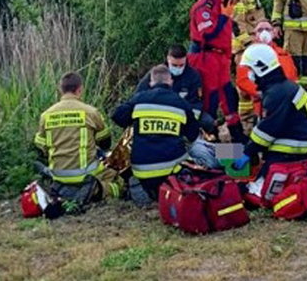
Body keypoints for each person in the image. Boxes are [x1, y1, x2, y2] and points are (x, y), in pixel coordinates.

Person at [232, 44, 307, 193]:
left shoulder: (276, 94)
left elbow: (268, 131)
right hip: (304, 139)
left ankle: (256, 188)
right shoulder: (283, 87)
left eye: (251, 70)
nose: (249, 74)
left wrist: (247, 152)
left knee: (261, 188)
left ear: (260, 67)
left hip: (294, 146)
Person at [112, 65, 201, 203]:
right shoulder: (181, 103)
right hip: (172, 172)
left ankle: (143, 188)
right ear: (170, 81)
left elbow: (117, 116)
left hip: (142, 171)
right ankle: (238, 155)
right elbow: (193, 136)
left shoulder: (139, 99)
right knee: (202, 148)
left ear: (151, 83)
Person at [34, 72, 123, 202]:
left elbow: (40, 146)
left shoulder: (46, 115)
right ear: (80, 90)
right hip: (86, 173)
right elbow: (105, 143)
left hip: (58, 175)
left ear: (61, 90)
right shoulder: (90, 112)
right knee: (117, 179)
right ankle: (98, 191)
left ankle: (62, 190)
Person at [188, 0, 247, 143]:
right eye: (236, 0)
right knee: (210, 101)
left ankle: (237, 141)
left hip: (220, 58)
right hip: (204, 58)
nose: (235, 5)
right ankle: (209, 142)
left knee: (229, 97)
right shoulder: (206, 6)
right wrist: (224, 17)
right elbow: (207, 33)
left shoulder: (222, 7)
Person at [235, 21, 298, 124]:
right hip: (264, 105)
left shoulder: (283, 54)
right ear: (255, 35)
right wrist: (261, 93)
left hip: (287, 102)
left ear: (273, 33)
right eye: (260, 30)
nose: (264, 32)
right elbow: (242, 80)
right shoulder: (249, 55)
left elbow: (293, 78)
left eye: (267, 29)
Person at [232, 0, 268, 131]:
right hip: (244, 50)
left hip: (255, 48)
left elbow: (258, 19)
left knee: (257, 86)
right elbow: (238, 25)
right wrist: (251, 43)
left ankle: (256, 124)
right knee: (245, 90)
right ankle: (246, 126)